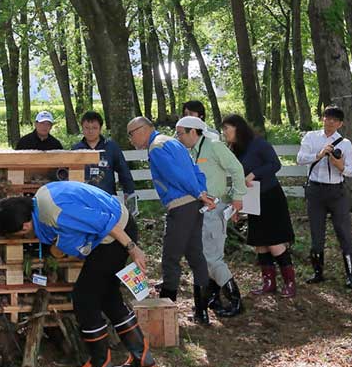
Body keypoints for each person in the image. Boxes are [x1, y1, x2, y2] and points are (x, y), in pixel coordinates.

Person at [0, 181, 153, 367]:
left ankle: (100, 364)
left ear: (24, 225)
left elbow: (104, 222)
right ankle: (141, 355)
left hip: (116, 234)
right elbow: (64, 239)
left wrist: (132, 248)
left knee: (84, 298)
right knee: (108, 296)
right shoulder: (41, 200)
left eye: (16, 234)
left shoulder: (53, 211)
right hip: (114, 231)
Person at [127, 116, 214, 324]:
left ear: (143, 130)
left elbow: (175, 175)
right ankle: (202, 313)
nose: (130, 139)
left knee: (170, 259)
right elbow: (195, 170)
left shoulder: (156, 147)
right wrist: (202, 192)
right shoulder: (172, 141)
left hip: (180, 205)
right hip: (194, 204)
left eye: (131, 134)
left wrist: (198, 193)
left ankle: (167, 315)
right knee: (195, 255)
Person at [175, 116, 247, 316]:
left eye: (181, 133)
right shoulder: (192, 151)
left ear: (193, 132)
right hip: (201, 209)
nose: (178, 137)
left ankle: (236, 302)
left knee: (213, 258)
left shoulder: (214, 146)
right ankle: (211, 298)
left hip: (214, 207)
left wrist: (238, 197)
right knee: (206, 256)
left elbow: (236, 168)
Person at [221, 114, 296, 298]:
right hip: (252, 198)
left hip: (270, 197)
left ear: (237, 128)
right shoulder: (235, 149)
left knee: (274, 242)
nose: (224, 133)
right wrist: (237, 205)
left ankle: (290, 282)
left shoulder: (258, 143)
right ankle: (268, 282)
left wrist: (254, 174)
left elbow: (275, 164)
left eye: (226, 129)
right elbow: (238, 178)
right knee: (260, 243)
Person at [296, 105, 352, 288]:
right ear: (322, 119)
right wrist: (319, 154)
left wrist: (339, 166)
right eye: (327, 118)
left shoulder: (345, 144)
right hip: (315, 191)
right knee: (316, 233)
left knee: (344, 233)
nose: (329, 122)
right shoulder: (311, 137)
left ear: (340, 123)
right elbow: (300, 158)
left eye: (334, 120)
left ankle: (351, 275)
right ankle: (317, 273)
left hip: (336, 191)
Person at [71, 111, 135, 198]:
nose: (90, 131)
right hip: (83, 197)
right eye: (87, 128)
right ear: (82, 128)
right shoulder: (76, 149)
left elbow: (123, 170)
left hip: (107, 196)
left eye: (94, 128)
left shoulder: (111, 147)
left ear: (100, 129)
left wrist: (129, 191)